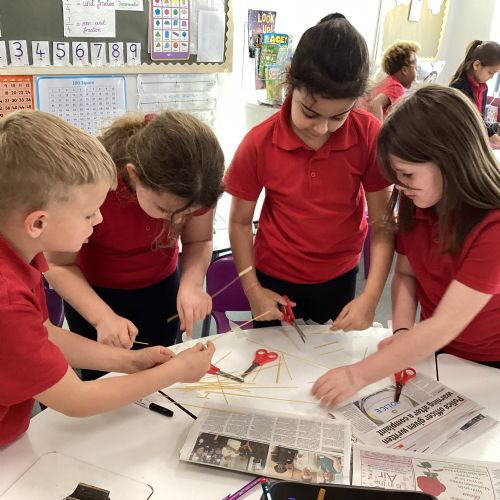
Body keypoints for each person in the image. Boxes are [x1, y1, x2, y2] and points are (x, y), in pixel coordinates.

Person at [0, 110, 215, 447]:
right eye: (89, 214)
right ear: (38, 223)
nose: (99, 220)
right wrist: (175, 372)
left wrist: (131, 362)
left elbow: (44, 335)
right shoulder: (7, 299)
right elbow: (76, 400)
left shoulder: (21, 259)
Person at [312, 85, 500, 407]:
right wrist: (402, 333)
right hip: (436, 350)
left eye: (408, 174)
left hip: (489, 362)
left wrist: (358, 375)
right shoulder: (420, 200)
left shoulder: (493, 227)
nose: (400, 186)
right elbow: (406, 274)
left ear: (451, 160)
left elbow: (445, 324)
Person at [225, 14, 393, 330]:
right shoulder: (258, 142)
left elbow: (382, 223)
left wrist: (371, 297)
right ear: (291, 82)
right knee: (274, 358)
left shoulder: (369, 135)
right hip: (274, 279)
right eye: (310, 113)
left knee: (330, 355)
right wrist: (253, 290)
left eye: (338, 117)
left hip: (340, 276)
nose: (321, 129)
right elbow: (239, 221)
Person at [45, 110, 224, 380]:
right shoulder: (96, 188)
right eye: (166, 210)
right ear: (134, 175)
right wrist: (102, 318)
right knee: (105, 384)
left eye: (189, 213)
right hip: (93, 295)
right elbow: (58, 264)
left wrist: (192, 284)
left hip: (161, 290)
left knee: (162, 377)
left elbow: (199, 239)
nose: (178, 222)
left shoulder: (198, 185)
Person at [450, 40, 500, 148]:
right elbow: (469, 122)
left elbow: (480, 120)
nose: (492, 77)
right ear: (476, 65)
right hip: (457, 143)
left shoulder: (483, 88)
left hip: (471, 141)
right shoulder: (459, 88)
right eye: (490, 72)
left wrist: (495, 139)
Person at [368, 40, 421, 121]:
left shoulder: (387, 81)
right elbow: (375, 104)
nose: (417, 73)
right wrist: (379, 128)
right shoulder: (397, 87)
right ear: (404, 70)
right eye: (416, 68)